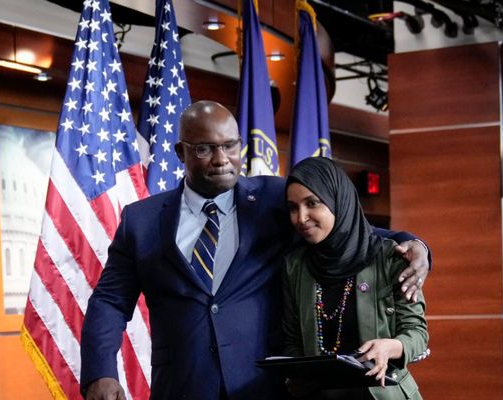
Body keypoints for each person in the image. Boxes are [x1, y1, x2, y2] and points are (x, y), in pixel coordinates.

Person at [81, 100, 430, 400]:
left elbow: (347, 227)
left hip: (267, 387)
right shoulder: (140, 221)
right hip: (183, 385)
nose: (222, 159)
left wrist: (416, 244)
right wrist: (100, 372)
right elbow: (110, 300)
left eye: (230, 146)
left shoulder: (274, 200)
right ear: (181, 153)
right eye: (205, 148)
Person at [282, 157, 428, 400]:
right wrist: (298, 374)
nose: (301, 217)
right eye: (293, 207)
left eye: (312, 203)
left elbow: (417, 333)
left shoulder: (389, 256)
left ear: (338, 201)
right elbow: (293, 339)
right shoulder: (295, 266)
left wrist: (390, 347)